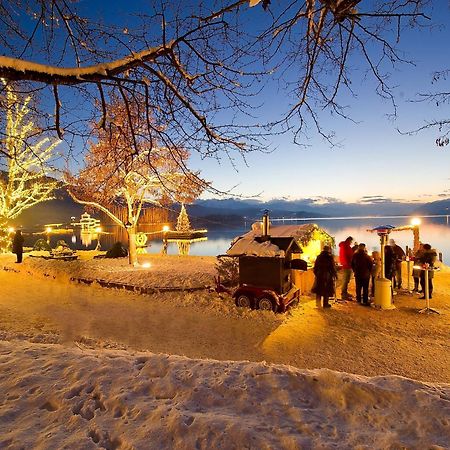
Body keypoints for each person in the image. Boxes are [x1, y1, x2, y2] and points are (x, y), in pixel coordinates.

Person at [338, 236, 354, 300]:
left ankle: (345, 292)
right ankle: (344, 294)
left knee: (346, 280)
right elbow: (345, 255)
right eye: (351, 241)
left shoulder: (345, 246)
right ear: (349, 240)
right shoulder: (345, 246)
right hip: (347, 266)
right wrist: (347, 263)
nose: (351, 243)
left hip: (347, 265)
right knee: (345, 280)